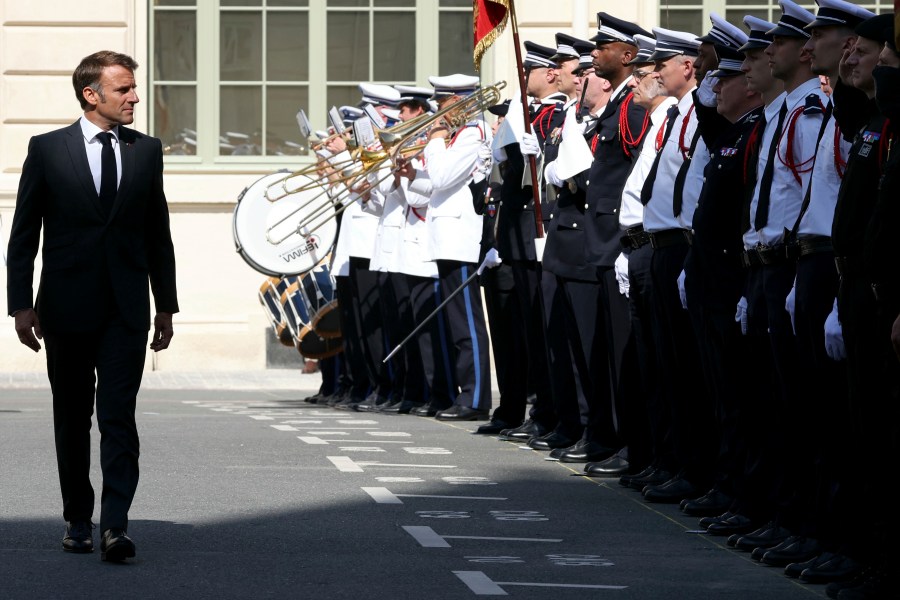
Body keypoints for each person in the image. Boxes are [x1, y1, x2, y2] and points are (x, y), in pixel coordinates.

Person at [6, 50, 179, 562]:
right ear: (91, 94)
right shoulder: (47, 149)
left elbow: (158, 235)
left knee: (119, 418)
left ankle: (116, 526)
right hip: (64, 307)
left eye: (132, 87)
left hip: (126, 310)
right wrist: (20, 304)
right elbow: (23, 235)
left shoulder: (146, 151)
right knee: (72, 418)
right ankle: (78, 519)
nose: (135, 97)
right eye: (123, 89)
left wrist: (165, 305)